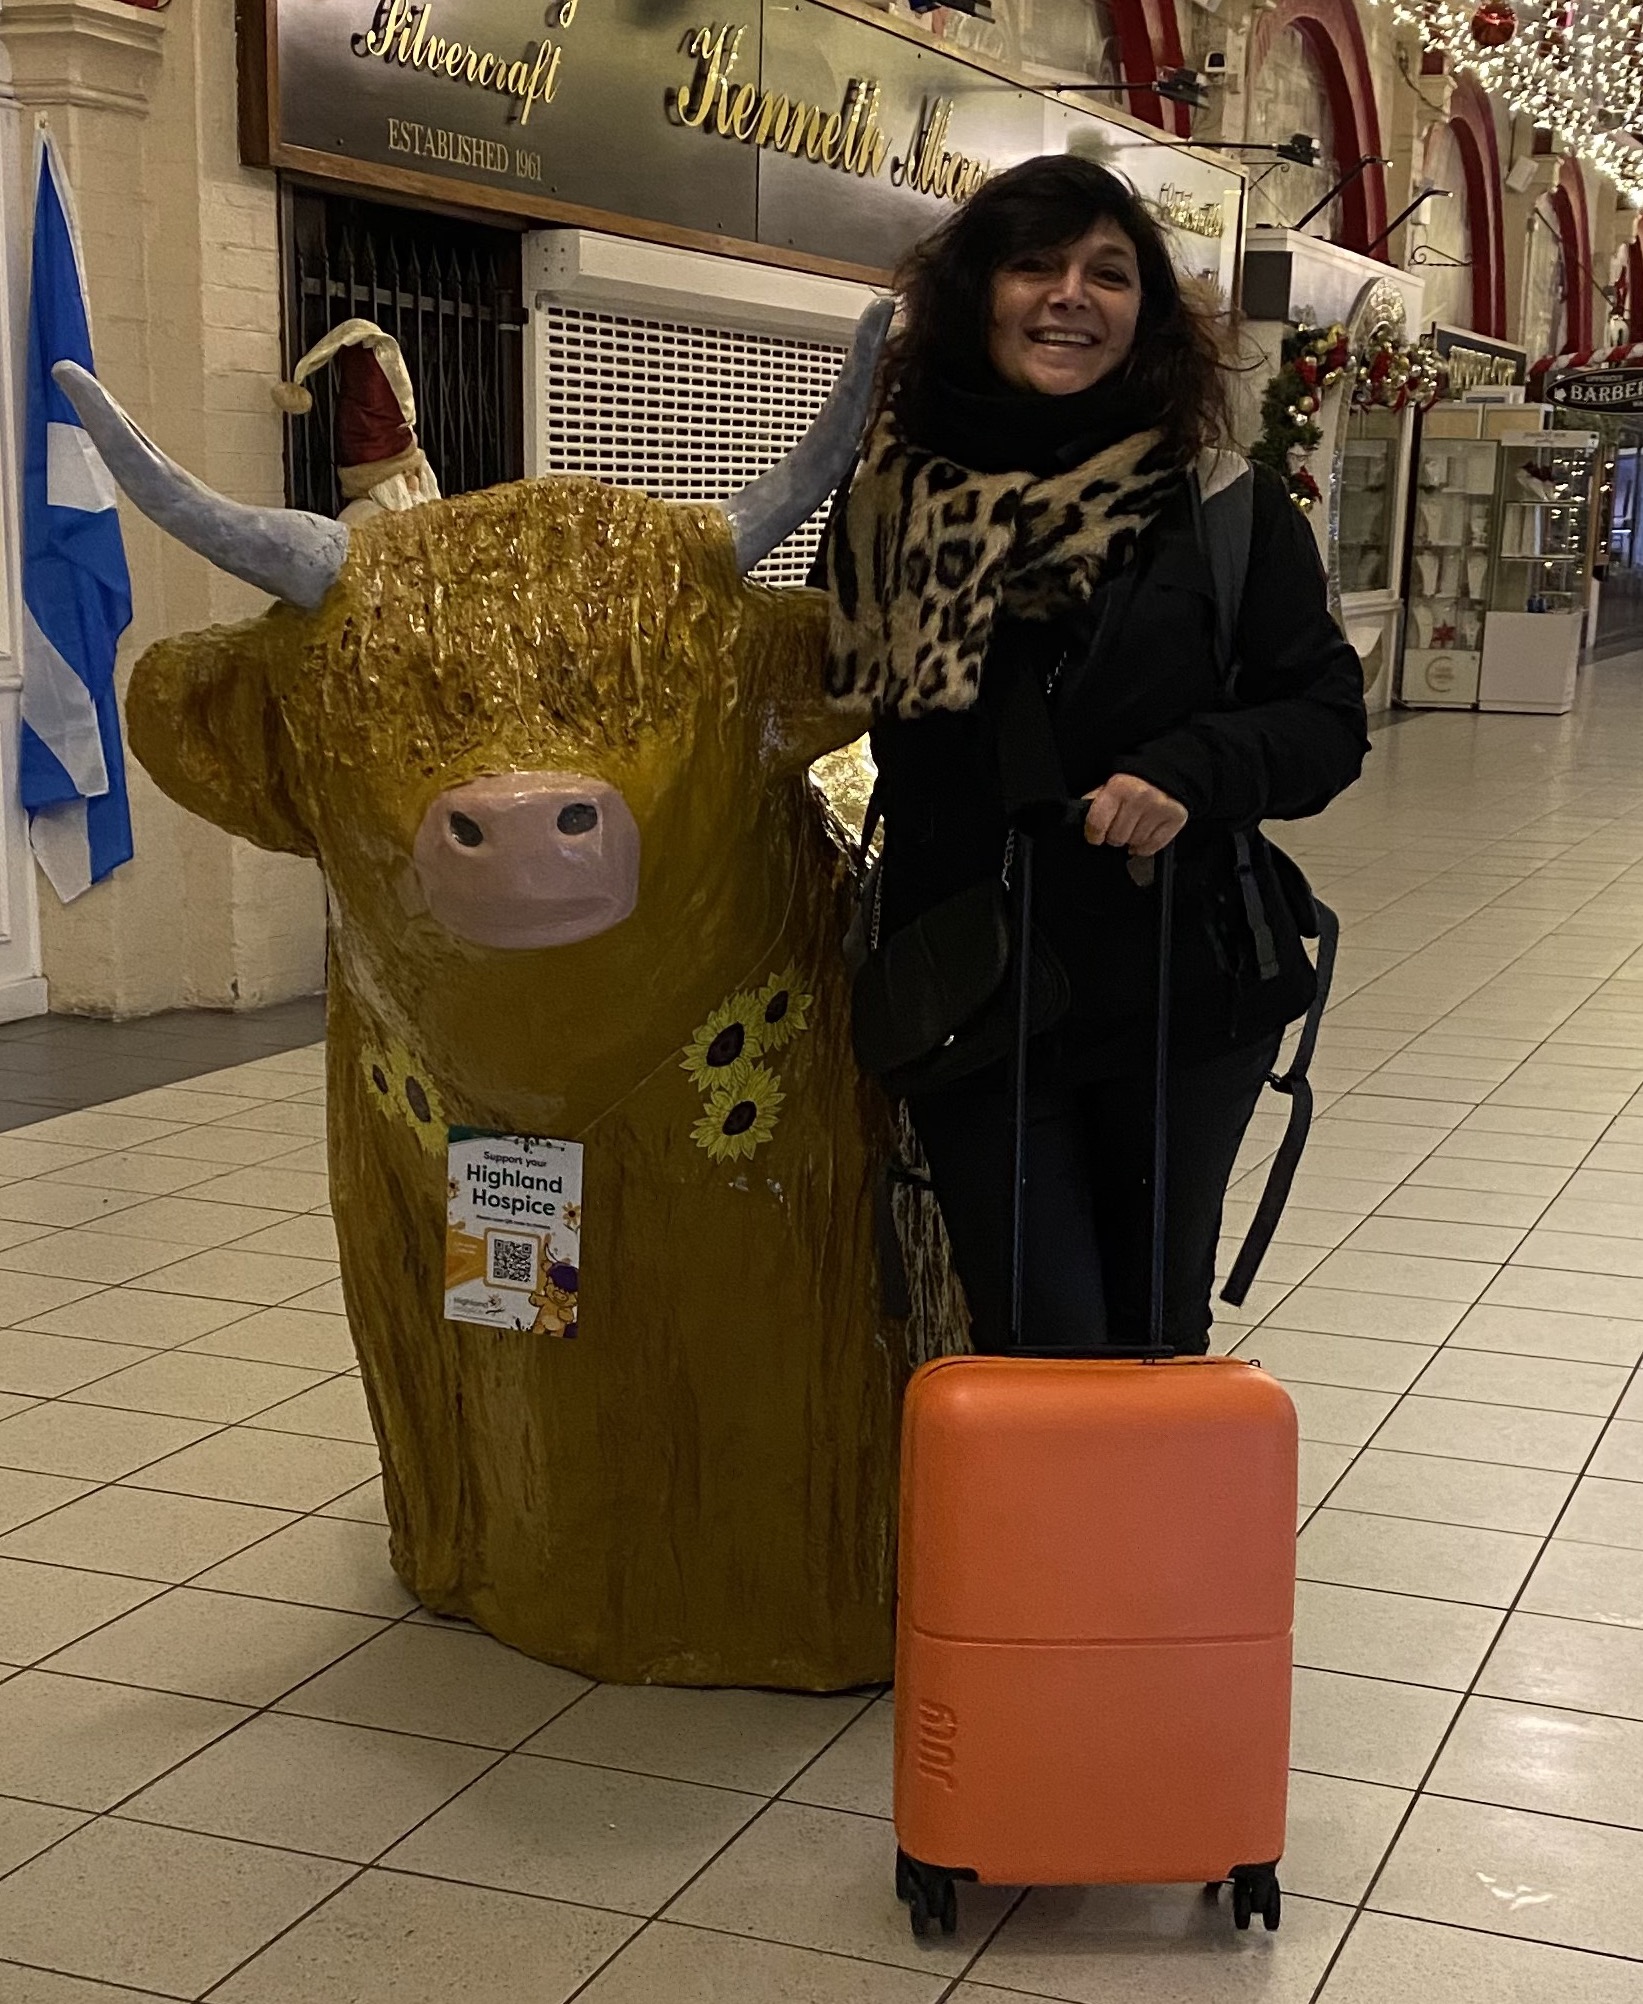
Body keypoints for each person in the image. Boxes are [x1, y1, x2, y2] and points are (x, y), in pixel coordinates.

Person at [821, 155, 1369, 1355]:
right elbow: (837, 723)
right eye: (1034, 265)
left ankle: (1130, 1545)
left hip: (1180, 984)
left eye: (1107, 273)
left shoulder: (1222, 509)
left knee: (1150, 1325)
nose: (1070, 295)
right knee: (1034, 1325)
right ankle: (1044, 1545)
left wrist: (1189, 770)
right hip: (973, 990)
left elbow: (1326, 721)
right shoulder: (886, 511)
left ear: (1146, 314)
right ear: (978, 293)